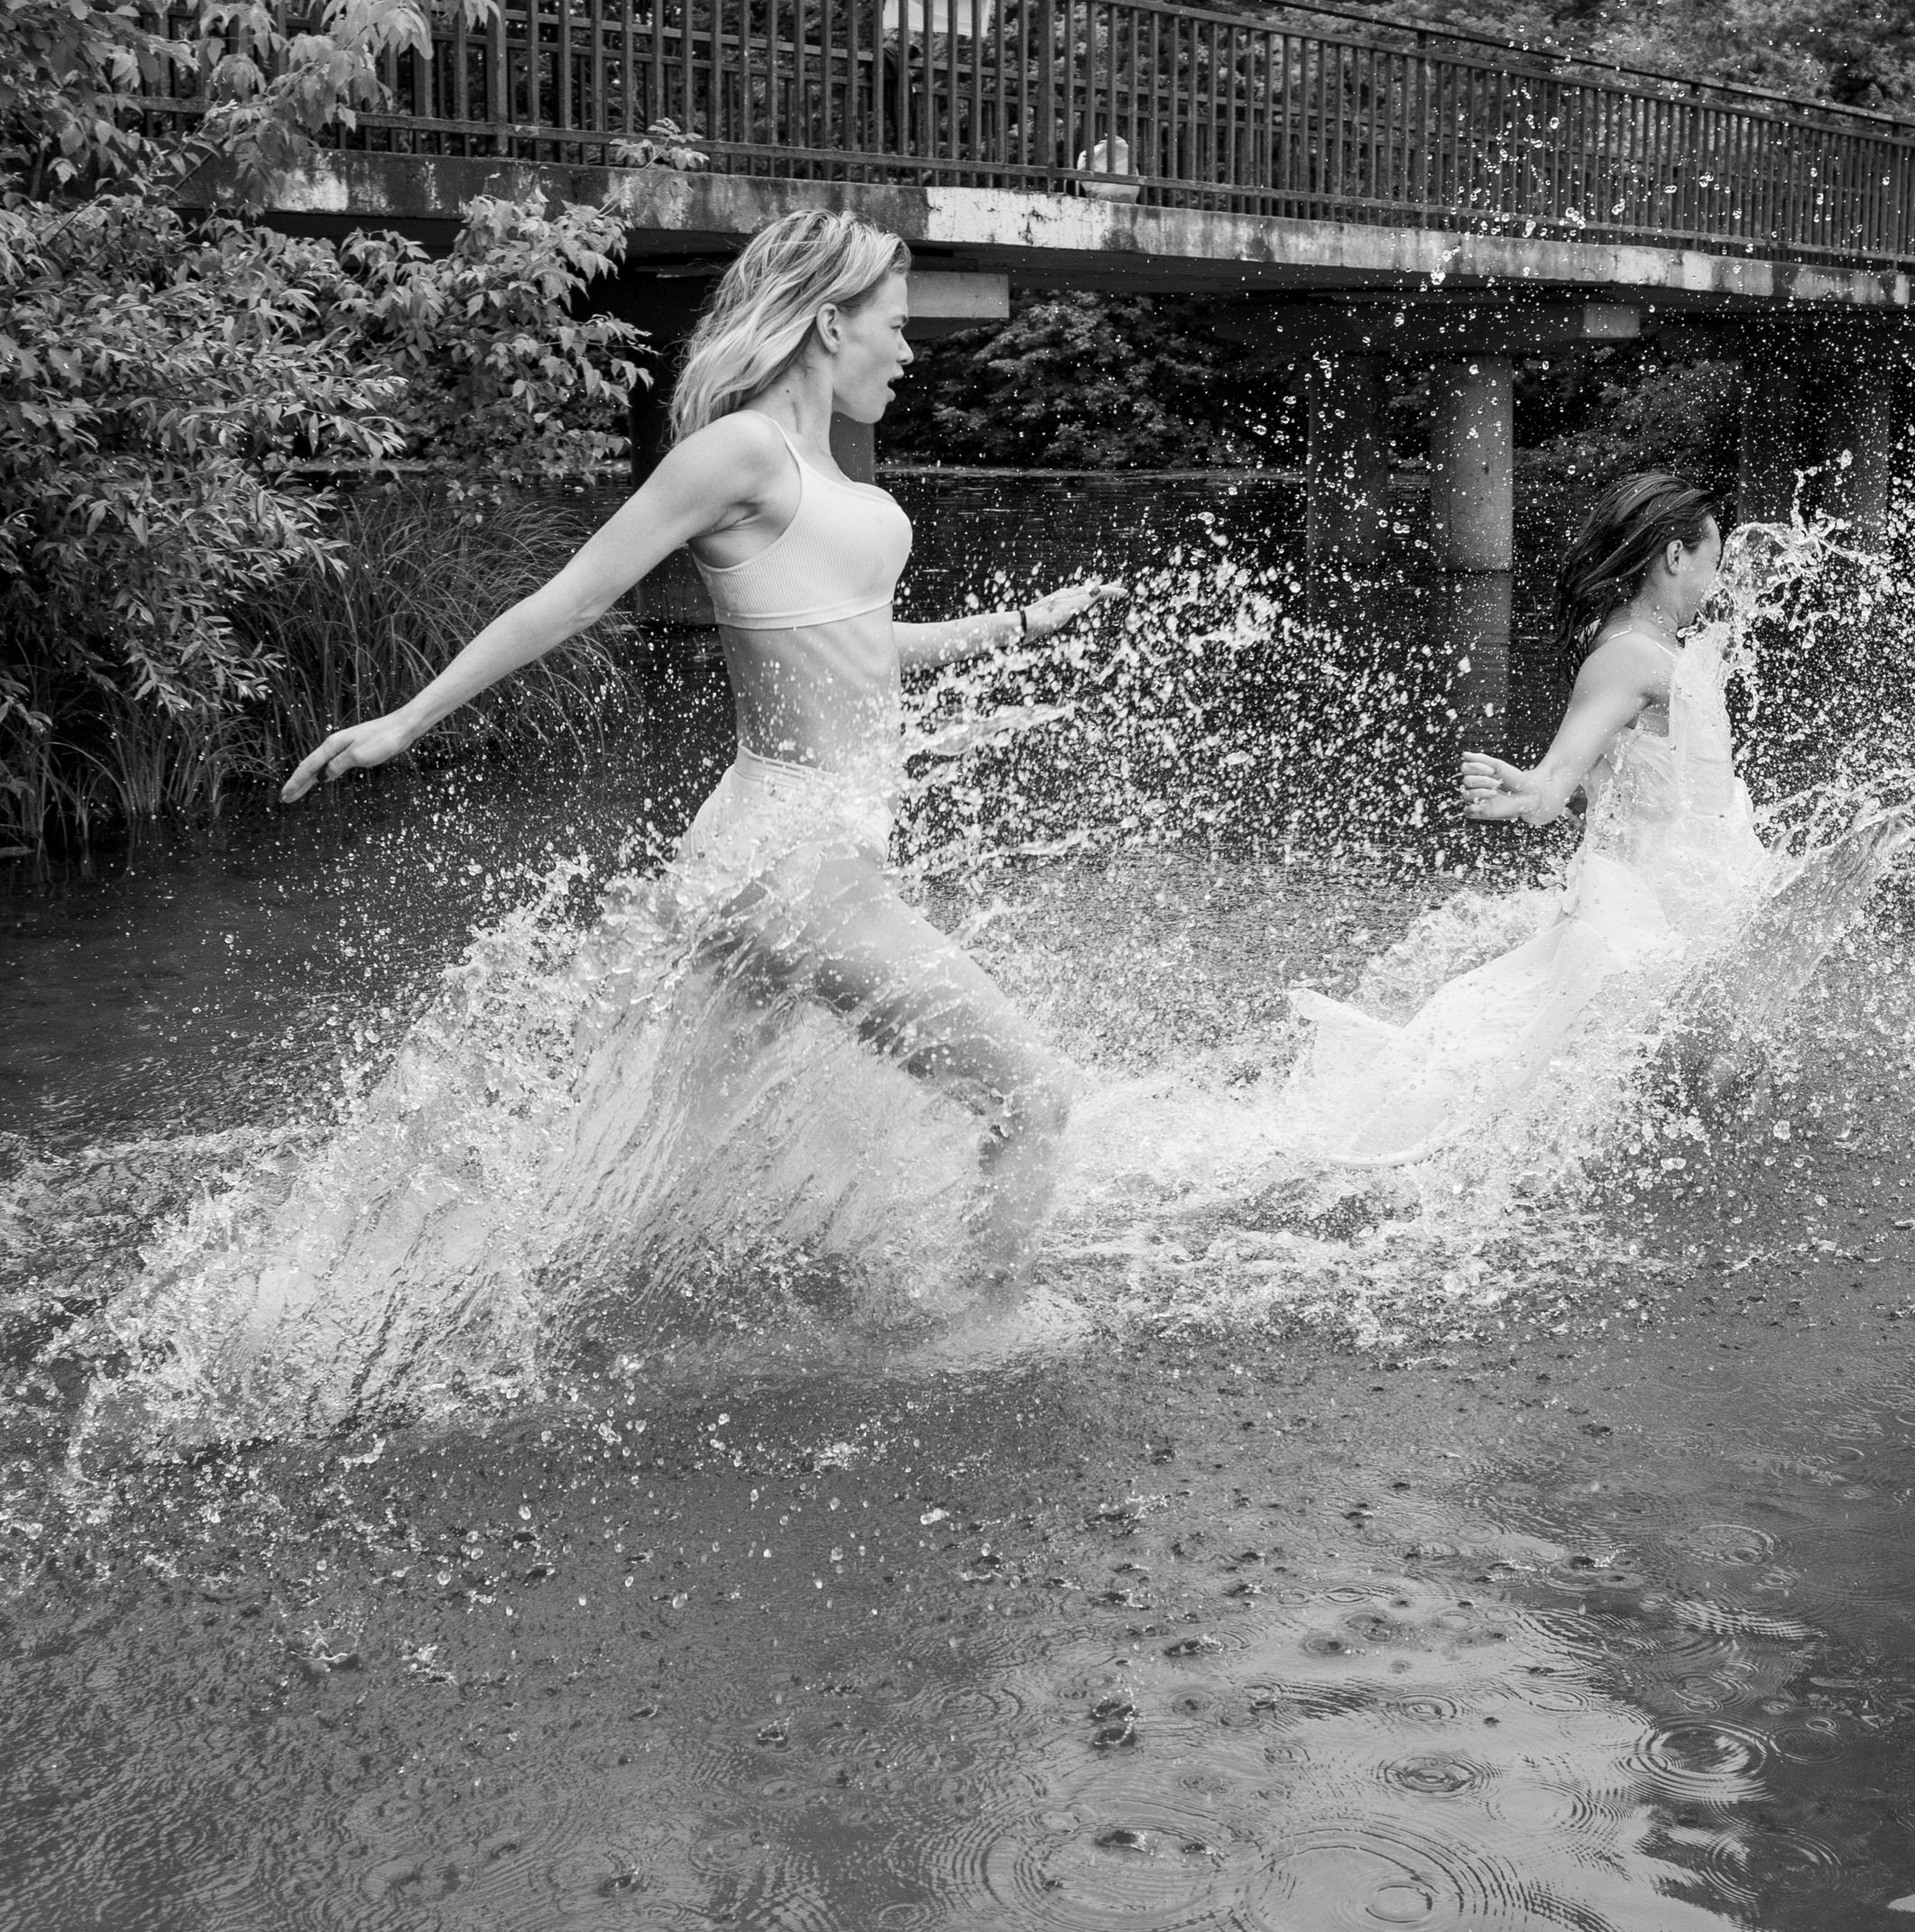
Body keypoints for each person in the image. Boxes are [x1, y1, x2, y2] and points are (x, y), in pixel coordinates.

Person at [284, 207, 1109, 1268]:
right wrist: (405, 721)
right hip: (797, 866)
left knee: (654, 1182)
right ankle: (985, 1331)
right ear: (826, 326)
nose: (908, 351)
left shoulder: (815, 468)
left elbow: (857, 644)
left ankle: (412, 1266)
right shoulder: (741, 450)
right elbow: (573, 600)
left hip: (771, 855)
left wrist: (1019, 626)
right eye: (894, 326)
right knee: (1035, 1101)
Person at [1286, 471, 1774, 1164]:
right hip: (1655, 902)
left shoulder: (1642, 645)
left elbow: (1610, 777)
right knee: (1676, 1071)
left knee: (1700, 1070)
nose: (1714, 583)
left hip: (1682, 885)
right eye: (1712, 562)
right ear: (1673, 557)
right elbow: (1558, 775)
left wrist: (1565, 791)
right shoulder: (1631, 654)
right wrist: (1537, 790)